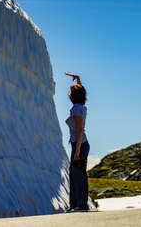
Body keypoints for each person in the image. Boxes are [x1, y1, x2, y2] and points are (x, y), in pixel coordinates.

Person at [65, 72, 90, 212]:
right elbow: (81, 91)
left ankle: (81, 205)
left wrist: (78, 151)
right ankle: (75, 204)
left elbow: (80, 131)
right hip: (79, 144)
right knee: (74, 174)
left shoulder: (76, 109)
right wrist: (78, 79)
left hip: (79, 144)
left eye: (70, 92)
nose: (68, 94)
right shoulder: (80, 106)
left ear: (73, 96)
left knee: (78, 175)